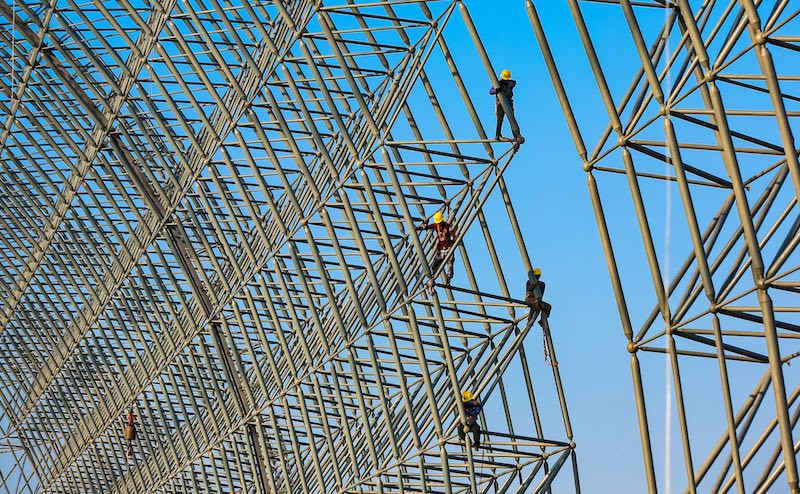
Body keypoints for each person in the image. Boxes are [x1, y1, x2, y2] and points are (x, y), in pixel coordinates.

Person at [416, 211, 456, 292]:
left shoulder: (447, 226)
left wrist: (454, 241)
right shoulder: (436, 225)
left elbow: (453, 235)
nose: (439, 224)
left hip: (448, 248)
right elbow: (428, 227)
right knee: (436, 263)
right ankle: (432, 277)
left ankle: (448, 279)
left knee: (450, 264)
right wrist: (419, 228)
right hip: (441, 249)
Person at [489, 69, 522, 144]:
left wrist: (498, 90)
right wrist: (497, 90)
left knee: (504, 120)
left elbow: (491, 91)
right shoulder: (500, 83)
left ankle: (500, 135)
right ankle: (514, 135)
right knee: (510, 119)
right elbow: (491, 91)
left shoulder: (507, 84)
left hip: (504, 103)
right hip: (503, 104)